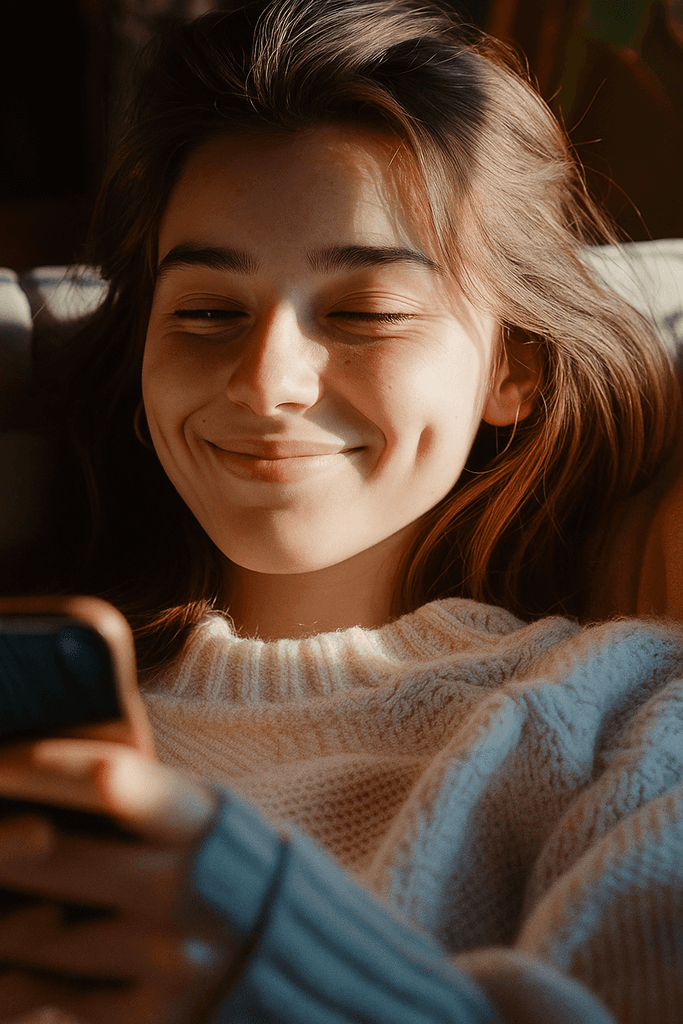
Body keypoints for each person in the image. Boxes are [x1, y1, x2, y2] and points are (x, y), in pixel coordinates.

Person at [0, 0, 682, 1021]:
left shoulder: (627, 728)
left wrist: (274, 947)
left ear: (513, 369)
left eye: (364, 313)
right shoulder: (38, 709)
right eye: (206, 313)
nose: (267, 380)